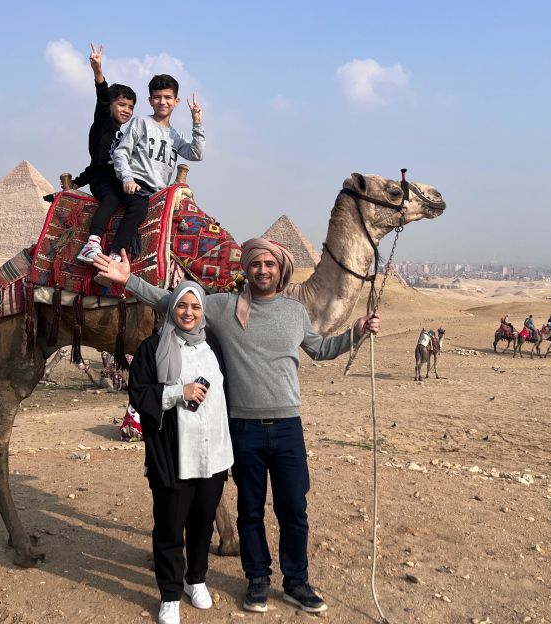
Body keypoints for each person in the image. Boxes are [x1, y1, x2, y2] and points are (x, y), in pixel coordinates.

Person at [96, 238, 379, 615]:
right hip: (244, 428)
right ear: (246, 268)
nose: (263, 269)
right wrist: (128, 280)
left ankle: (296, 581)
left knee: (294, 507)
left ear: (281, 270)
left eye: (270, 264)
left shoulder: (295, 313)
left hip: (287, 426)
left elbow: (321, 349)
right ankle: (257, 579)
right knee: (250, 510)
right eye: (256, 263)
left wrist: (357, 332)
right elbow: (175, 302)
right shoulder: (223, 307)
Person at [128, 281, 232, 624]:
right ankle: (170, 593)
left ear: (203, 311)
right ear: (171, 308)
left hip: (213, 453)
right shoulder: (153, 348)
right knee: (170, 526)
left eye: (196, 307)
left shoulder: (213, 344)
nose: (189, 313)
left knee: (203, 523)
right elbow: (139, 394)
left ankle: (195, 578)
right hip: (174, 454)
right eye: (182, 306)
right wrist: (177, 391)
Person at [105, 74, 204, 265]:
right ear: (150, 100)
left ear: (176, 101)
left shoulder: (175, 135)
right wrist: (127, 179)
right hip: (136, 185)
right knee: (138, 209)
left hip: (160, 193)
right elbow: (121, 153)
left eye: (167, 97)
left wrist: (197, 122)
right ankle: (114, 256)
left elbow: (196, 154)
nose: (162, 102)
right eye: (157, 97)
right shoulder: (141, 122)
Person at [73, 43, 138, 264]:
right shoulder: (103, 124)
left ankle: (118, 250)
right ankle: (92, 244)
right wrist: (98, 71)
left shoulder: (125, 134)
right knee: (110, 199)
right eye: (121, 104)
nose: (126, 110)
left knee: (139, 204)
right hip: (103, 182)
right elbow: (97, 166)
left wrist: (76, 182)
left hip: (117, 179)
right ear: (110, 105)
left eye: (130, 107)